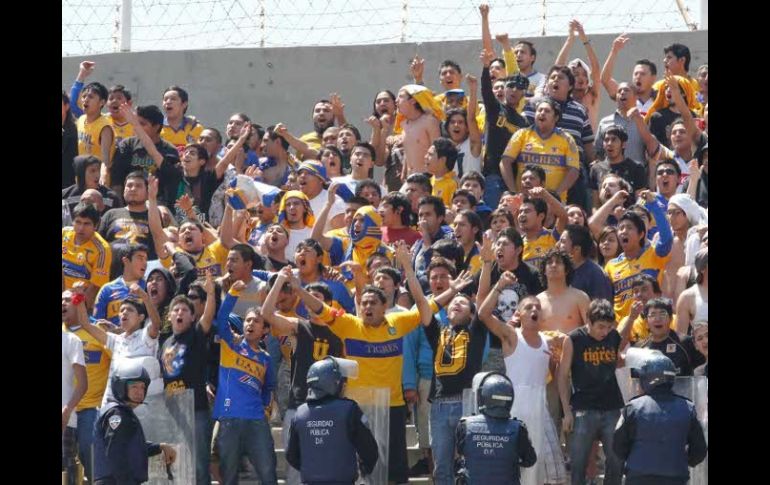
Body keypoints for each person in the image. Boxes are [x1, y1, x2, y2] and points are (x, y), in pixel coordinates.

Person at [213, 281, 279, 484]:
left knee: (268, 474)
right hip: (228, 419)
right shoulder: (230, 344)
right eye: (248, 320)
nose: (250, 324)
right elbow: (221, 318)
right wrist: (233, 293)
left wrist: (266, 411)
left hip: (257, 421)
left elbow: (268, 388)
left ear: (265, 330)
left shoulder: (266, 358)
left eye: (256, 321)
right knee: (229, 476)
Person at [613, 353, 707, 484]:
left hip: (639, 477)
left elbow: (618, 446)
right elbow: (699, 450)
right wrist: (681, 461)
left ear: (646, 378)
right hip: (676, 478)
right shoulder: (688, 408)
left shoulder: (632, 408)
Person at [558, 299, 624, 485]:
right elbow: (562, 376)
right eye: (600, 327)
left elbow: (618, 361)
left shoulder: (613, 336)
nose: (604, 332)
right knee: (578, 464)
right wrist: (566, 411)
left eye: (609, 327)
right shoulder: (573, 339)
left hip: (612, 406)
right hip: (583, 408)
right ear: (589, 321)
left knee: (617, 460)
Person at [286, 356, 379, 485]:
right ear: (333, 383)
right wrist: (364, 470)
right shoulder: (349, 409)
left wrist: (316, 470)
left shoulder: (300, 414)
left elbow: (291, 455)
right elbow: (369, 450)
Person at [93, 359, 177, 484]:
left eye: (143, 387)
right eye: (134, 386)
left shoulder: (122, 413)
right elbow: (116, 454)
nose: (140, 392)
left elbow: (131, 447)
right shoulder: (117, 414)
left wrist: (159, 447)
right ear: (120, 386)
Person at [455, 372, 537, 484]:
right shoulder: (518, 428)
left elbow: (459, 453)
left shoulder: (465, 425)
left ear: (482, 397)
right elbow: (530, 460)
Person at [62, 307, 88, 485]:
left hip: (65, 420)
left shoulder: (72, 340)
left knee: (67, 475)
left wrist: (67, 409)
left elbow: (83, 384)